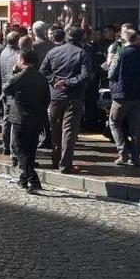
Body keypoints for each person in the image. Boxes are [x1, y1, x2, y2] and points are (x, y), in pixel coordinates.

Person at [40, 26, 92, 174]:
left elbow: (43, 71)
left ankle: (56, 161)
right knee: (68, 130)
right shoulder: (82, 53)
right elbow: (85, 76)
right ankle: (65, 164)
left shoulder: (53, 51)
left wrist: (55, 80)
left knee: (55, 129)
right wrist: (67, 82)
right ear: (82, 38)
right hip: (73, 96)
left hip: (56, 95)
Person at [3, 50, 50, 194]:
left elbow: (6, 89)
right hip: (37, 118)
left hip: (20, 118)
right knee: (30, 150)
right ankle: (23, 179)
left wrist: (13, 72)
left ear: (22, 60)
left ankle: (33, 180)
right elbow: (47, 99)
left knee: (19, 149)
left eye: (18, 59)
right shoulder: (41, 77)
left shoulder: (20, 76)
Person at [109, 30, 140, 167]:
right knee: (135, 128)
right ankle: (136, 157)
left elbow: (112, 73)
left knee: (114, 122)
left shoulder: (120, 53)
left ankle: (123, 152)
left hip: (121, 95)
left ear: (125, 39)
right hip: (139, 95)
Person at [0, 32, 22, 160]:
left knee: (6, 120)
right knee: (12, 121)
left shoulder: (3, 52)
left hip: (5, 89)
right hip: (11, 91)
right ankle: (12, 148)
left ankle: (5, 146)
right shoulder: (16, 55)